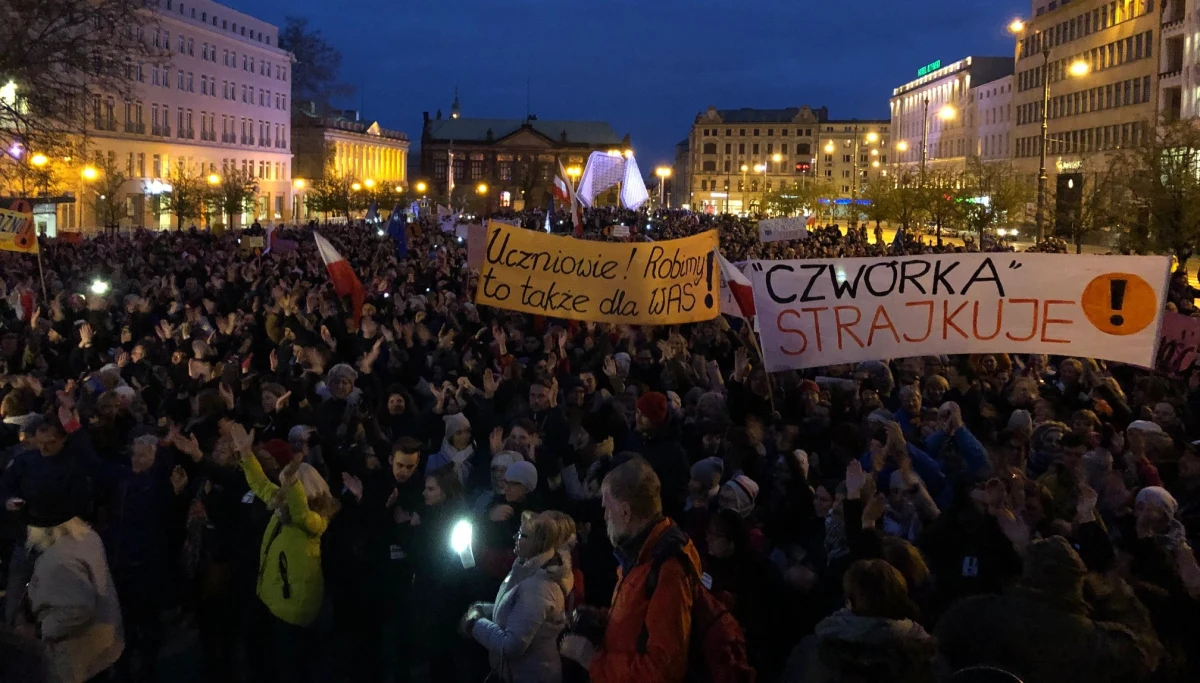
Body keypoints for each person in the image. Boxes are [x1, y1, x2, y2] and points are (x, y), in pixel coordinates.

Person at [560, 458, 700, 683]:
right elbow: (639, 623)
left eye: (606, 508)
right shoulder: (641, 553)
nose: (605, 517)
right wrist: (602, 617)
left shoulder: (667, 568)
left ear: (625, 512)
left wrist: (590, 658)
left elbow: (662, 671)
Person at [232, 423, 335, 683]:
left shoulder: (313, 520)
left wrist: (291, 481)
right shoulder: (282, 503)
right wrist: (246, 455)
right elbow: (259, 484)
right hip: (272, 596)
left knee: (292, 666)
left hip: (292, 607)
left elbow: (299, 511)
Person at [20, 501, 124, 683]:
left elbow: (77, 609)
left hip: (79, 655)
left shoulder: (56, 560)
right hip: (103, 645)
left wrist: (40, 630)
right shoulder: (87, 537)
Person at [465, 510, 575, 682]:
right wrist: (485, 609)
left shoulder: (539, 586)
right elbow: (517, 610)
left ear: (539, 543)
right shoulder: (526, 569)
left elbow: (512, 645)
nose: (515, 536)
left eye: (523, 535)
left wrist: (475, 624)